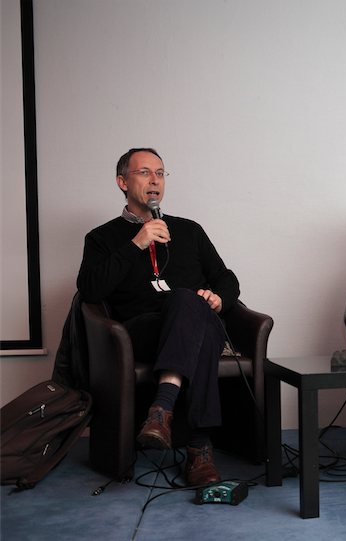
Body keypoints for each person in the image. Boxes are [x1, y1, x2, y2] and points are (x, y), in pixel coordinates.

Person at [77, 148, 239, 486]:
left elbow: (226, 278)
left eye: (161, 173)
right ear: (122, 181)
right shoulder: (102, 238)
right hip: (141, 332)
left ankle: (160, 411)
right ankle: (199, 448)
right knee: (193, 314)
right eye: (145, 172)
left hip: (194, 325)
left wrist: (217, 298)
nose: (155, 180)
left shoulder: (190, 231)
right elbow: (90, 289)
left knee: (191, 305)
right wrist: (136, 242)